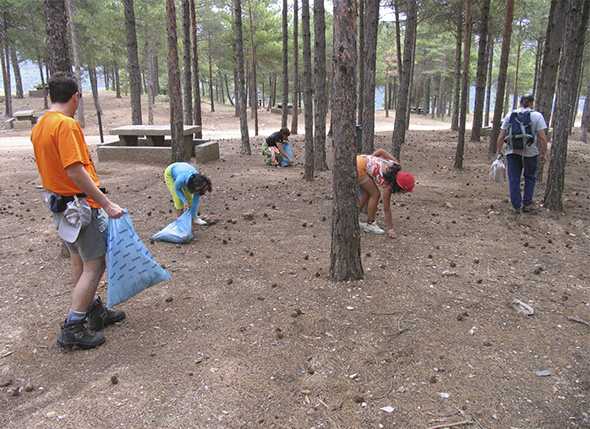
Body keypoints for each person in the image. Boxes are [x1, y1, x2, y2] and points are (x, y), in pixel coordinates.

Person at [31, 72, 125, 350]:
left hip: (60, 207)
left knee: (79, 260)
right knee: (95, 264)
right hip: (80, 207)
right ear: (76, 97)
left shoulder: (40, 124)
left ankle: (93, 309)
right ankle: (73, 325)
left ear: (50, 95)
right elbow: (74, 170)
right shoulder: (66, 125)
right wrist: (105, 203)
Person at [496, 94, 548, 214]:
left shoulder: (510, 115)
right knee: (530, 177)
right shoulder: (537, 116)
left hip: (512, 151)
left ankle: (516, 205)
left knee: (514, 178)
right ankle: (527, 204)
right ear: (531, 103)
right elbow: (542, 138)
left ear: (520, 102)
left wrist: (499, 152)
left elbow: (501, 135)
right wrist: (543, 153)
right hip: (531, 152)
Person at [356, 149, 415, 239]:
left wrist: (371, 160)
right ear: (399, 186)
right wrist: (390, 228)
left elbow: (381, 151)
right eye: (404, 191)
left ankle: (352, 218)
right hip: (360, 168)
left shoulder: (396, 164)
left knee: (367, 193)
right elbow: (386, 209)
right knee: (375, 194)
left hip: (360, 159)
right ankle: (370, 224)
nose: (404, 193)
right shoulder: (388, 186)